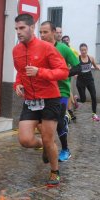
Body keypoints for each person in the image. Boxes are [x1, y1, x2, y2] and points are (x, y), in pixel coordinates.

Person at [13, 14, 69, 187]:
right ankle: (45, 146)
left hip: (50, 99)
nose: (19, 32)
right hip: (30, 100)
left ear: (32, 27)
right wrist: (18, 84)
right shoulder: (16, 50)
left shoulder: (46, 47)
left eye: (22, 28)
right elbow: (20, 72)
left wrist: (40, 72)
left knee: (48, 138)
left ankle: (54, 172)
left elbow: (63, 71)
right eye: (16, 29)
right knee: (25, 140)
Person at [39, 21, 81, 162]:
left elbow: (78, 67)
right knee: (43, 122)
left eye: (45, 32)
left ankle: (65, 149)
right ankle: (49, 147)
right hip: (43, 91)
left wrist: (62, 74)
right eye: (41, 32)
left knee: (58, 120)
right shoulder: (39, 48)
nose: (43, 35)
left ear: (54, 32)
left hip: (61, 91)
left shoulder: (63, 49)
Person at [76, 43, 100, 121]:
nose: (83, 51)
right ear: (80, 50)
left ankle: (94, 114)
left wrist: (98, 68)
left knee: (94, 96)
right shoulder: (77, 58)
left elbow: (95, 66)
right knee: (83, 100)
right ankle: (76, 100)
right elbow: (73, 68)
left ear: (87, 50)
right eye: (82, 50)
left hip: (90, 80)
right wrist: (75, 74)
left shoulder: (91, 58)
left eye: (85, 50)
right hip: (80, 81)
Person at [61, 35, 79, 120]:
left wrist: (73, 70)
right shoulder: (60, 48)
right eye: (64, 40)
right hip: (61, 75)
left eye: (67, 40)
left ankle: (69, 110)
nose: (66, 41)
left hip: (68, 75)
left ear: (69, 40)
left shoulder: (72, 50)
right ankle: (69, 109)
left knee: (68, 92)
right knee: (68, 93)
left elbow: (76, 61)